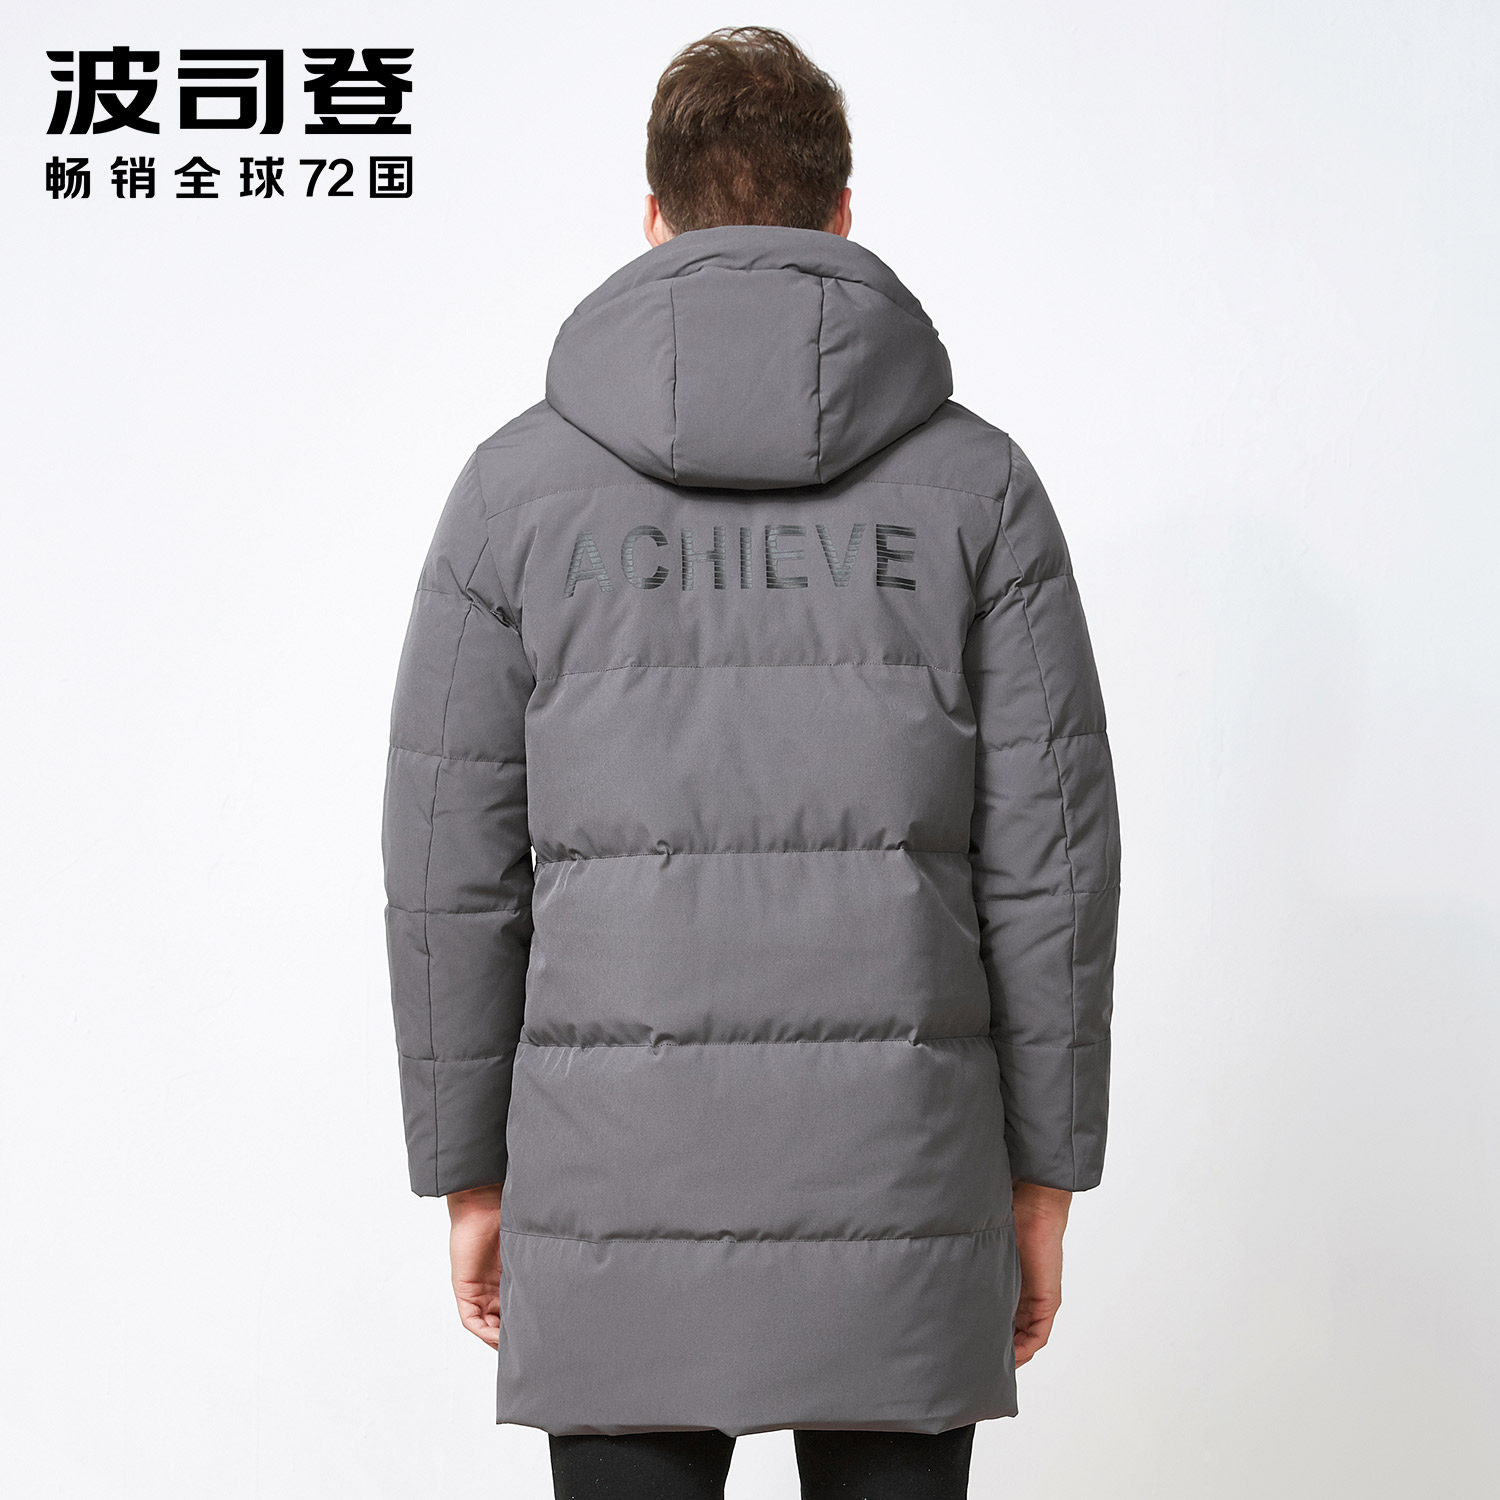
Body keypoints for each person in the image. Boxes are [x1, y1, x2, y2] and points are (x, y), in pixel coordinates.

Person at [381, 25, 1120, 1500]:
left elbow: (448, 863)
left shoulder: (515, 493)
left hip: (611, 1189)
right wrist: (1042, 1180)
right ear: (840, 216)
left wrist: (468, 1173)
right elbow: (1054, 869)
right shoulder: (981, 490)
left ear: (654, 219)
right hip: (905, 1185)